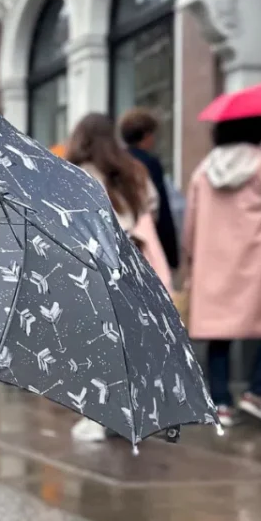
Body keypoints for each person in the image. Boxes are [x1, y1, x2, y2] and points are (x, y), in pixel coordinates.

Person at [183, 115, 261, 427]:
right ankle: (256, 392)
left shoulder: (203, 170)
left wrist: (192, 257)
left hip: (215, 262)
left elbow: (190, 225)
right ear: (259, 132)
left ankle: (222, 404)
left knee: (218, 332)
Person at [65, 112, 173, 442]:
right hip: (134, 261)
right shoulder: (135, 171)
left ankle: (100, 415)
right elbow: (150, 211)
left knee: (97, 340)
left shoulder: (74, 173)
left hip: (93, 264)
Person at [119, 107, 180, 270]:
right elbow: (162, 209)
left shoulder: (116, 162)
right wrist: (171, 255)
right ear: (146, 135)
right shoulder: (149, 164)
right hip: (147, 241)